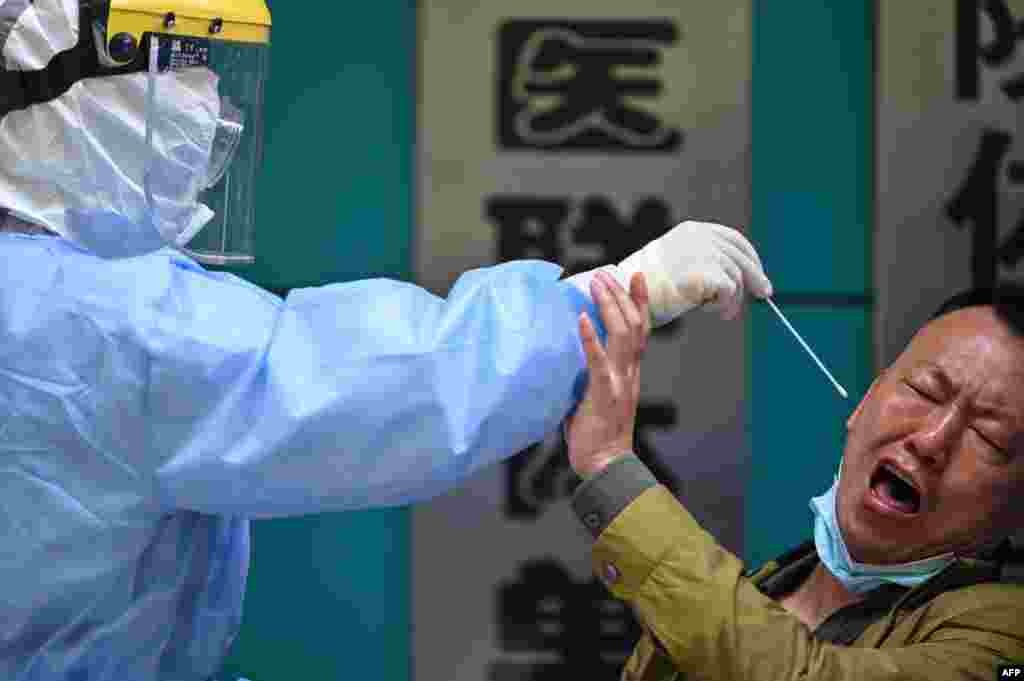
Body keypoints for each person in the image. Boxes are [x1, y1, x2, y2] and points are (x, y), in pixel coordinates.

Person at [0, 2, 774, 679]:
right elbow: (363, 386)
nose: (206, 106)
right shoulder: (101, 323)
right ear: (54, 93)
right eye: (177, 60)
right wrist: (609, 296)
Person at [565, 276, 1024, 680]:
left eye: (989, 437)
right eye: (924, 391)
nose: (930, 441)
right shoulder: (764, 588)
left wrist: (610, 466)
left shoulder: (1005, 640)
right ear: (864, 402)